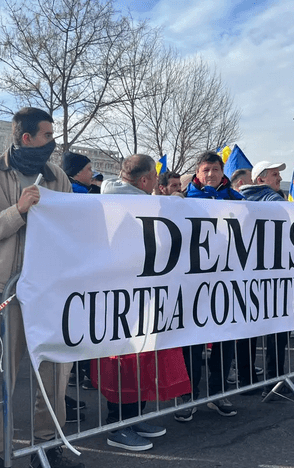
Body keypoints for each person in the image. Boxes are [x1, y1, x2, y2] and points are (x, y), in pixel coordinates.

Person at [0, 107, 83, 468]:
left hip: (49, 294)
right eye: (47, 135)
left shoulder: (57, 176)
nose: (53, 142)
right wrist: (17, 211)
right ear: (27, 138)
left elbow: (72, 230)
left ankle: (47, 448)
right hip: (2, 293)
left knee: (54, 375)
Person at [97, 154, 189, 451]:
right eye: (155, 179)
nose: (156, 185)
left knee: (141, 359)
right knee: (124, 362)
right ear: (146, 179)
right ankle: (117, 426)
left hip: (142, 294)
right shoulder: (123, 205)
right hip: (123, 298)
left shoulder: (136, 203)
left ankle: (134, 417)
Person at [177, 151, 243, 421]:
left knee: (224, 340)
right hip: (192, 283)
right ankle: (189, 396)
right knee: (191, 341)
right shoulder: (183, 200)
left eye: (215, 169)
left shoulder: (236, 199)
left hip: (226, 282)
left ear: (222, 171)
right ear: (197, 172)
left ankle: (217, 393)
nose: (211, 174)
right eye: (206, 170)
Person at [239, 161, 290, 397]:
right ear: (260, 180)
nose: (279, 178)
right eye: (274, 174)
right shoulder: (269, 198)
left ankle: (247, 380)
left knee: (248, 328)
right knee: (276, 328)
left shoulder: (239, 199)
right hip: (271, 275)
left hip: (249, 275)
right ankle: (274, 380)